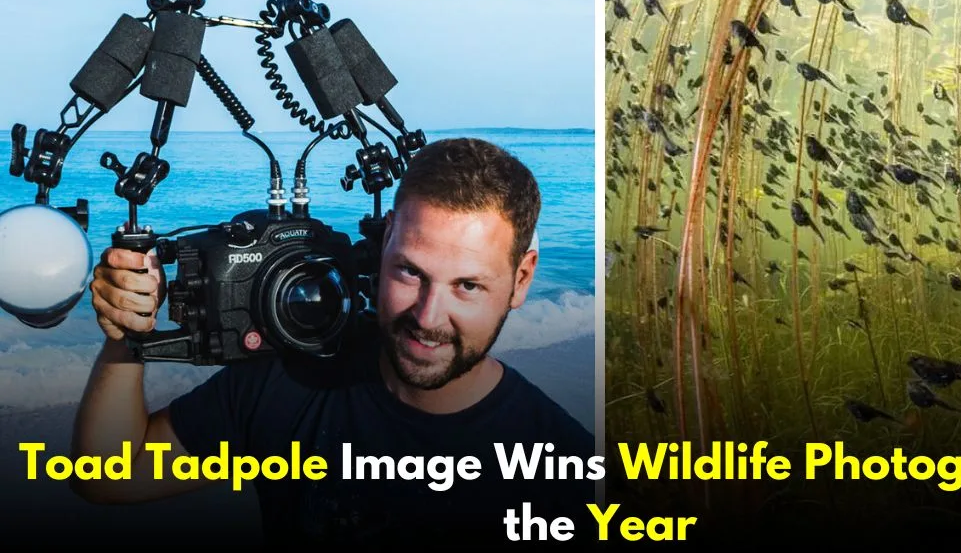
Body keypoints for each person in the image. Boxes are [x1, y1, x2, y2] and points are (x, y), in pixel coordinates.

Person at [73, 137, 597, 547]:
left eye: (468, 285)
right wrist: (127, 336)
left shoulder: (562, 467)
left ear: (522, 279)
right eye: (410, 273)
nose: (428, 317)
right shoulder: (289, 381)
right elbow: (106, 476)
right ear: (384, 238)